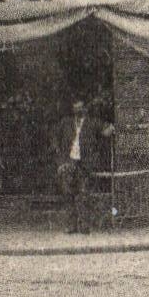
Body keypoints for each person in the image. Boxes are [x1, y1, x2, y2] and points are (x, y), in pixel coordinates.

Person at [55, 98, 101, 234]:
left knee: (83, 194)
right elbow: (55, 139)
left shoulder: (92, 123)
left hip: (84, 163)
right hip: (69, 162)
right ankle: (71, 226)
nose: (78, 111)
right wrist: (60, 159)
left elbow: (106, 131)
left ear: (85, 109)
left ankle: (84, 225)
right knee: (68, 193)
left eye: (80, 108)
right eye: (76, 109)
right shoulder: (66, 123)